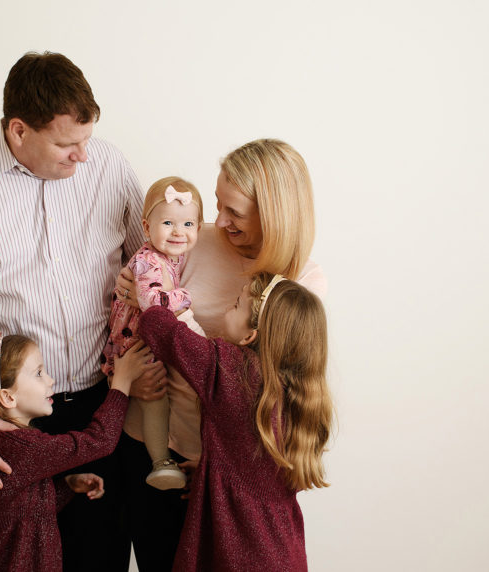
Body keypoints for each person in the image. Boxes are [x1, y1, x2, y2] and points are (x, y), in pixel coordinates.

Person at [0, 51, 156, 571]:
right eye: (66, 144)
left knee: (100, 556)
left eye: (87, 139)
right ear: (18, 131)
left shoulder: (108, 165)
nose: (83, 156)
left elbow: (149, 269)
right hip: (7, 422)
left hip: (102, 403)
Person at [115, 139, 328, 570]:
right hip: (157, 452)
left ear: (273, 213)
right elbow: (139, 296)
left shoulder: (301, 286)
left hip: (228, 481)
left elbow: (275, 396)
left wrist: (218, 472)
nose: (220, 220)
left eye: (235, 212)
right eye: (217, 205)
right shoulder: (193, 238)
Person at [138, 274, 333, 570]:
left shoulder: (230, 368)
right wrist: (212, 471)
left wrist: (151, 292)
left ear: (249, 336)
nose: (227, 310)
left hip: (235, 558)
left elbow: (156, 326)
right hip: (284, 554)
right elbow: (253, 464)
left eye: (236, 305)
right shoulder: (305, 398)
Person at [0, 333, 151, 571]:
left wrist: (66, 486)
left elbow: (23, 510)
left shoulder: (6, 444)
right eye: (39, 373)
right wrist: (121, 385)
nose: (51, 381)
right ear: (8, 396)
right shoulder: (22, 447)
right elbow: (99, 441)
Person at [101, 177, 205, 490]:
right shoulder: (148, 260)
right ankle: (161, 460)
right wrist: (185, 296)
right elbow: (150, 302)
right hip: (134, 343)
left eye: (188, 223)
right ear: (147, 228)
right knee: (156, 396)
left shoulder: (172, 254)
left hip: (144, 336)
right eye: (168, 223)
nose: (178, 231)